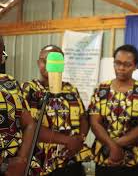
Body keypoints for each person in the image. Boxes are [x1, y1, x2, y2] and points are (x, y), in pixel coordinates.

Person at [21, 45, 91, 175]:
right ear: (38, 63)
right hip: (42, 162)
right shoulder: (29, 89)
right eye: (44, 61)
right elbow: (29, 126)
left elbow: (83, 117)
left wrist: (80, 140)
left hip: (71, 159)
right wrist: (68, 140)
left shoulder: (71, 90)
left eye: (54, 61)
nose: (48, 65)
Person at [89, 44, 138, 176]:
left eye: (127, 64)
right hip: (106, 157)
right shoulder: (102, 89)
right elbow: (94, 122)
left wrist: (115, 145)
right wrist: (112, 147)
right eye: (118, 63)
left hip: (135, 158)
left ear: (135, 66)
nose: (121, 68)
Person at [0, 35, 36, 176]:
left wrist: (22, 158)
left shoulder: (10, 83)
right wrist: (3, 165)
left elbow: (29, 124)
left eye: (1, 52)